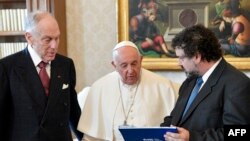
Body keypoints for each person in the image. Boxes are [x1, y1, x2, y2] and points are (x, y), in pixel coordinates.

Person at [0, 11, 83, 141]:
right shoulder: (7, 67)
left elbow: (73, 111)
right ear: (29, 37)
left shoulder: (66, 65)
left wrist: (86, 138)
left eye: (57, 38)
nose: (54, 46)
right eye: (48, 39)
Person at [160, 24, 250, 141]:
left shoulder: (238, 85)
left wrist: (192, 138)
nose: (179, 63)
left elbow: (240, 133)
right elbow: (175, 119)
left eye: (181, 58)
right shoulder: (191, 80)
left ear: (197, 56)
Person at [77, 41, 178, 141]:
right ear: (114, 65)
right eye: (124, 65)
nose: (130, 70)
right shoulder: (99, 88)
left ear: (141, 60)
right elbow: (90, 137)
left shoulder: (163, 86)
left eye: (134, 64)